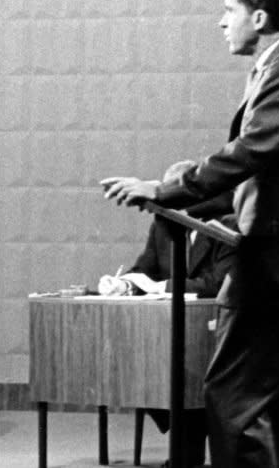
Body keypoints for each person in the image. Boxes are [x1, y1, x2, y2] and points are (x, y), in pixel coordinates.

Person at [101, 0, 279, 468]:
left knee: (230, 400)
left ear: (258, 16)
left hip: (274, 274)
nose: (220, 21)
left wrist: (166, 190)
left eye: (227, 10)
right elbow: (257, 180)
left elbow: (249, 152)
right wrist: (169, 196)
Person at [100, 160, 236, 468]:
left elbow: (216, 284)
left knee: (186, 377)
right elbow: (142, 268)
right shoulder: (163, 226)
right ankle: (187, 446)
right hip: (167, 334)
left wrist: (158, 285)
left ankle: (187, 453)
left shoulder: (225, 225)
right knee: (146, 373)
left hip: (212, 333)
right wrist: (124, 283)